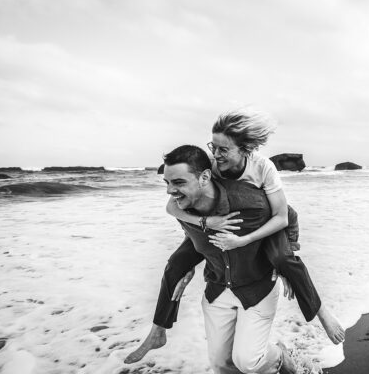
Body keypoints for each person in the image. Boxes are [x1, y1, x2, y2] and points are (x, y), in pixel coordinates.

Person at [167, 111, 344, 344]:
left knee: (283, 259)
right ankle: (160, 329)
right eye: (213, 147)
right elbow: (173, 206)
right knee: (178, 262)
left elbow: (281, 217)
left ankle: (321, 312)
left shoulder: (262, 167)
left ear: (245, 149)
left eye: (223, 149)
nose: (216, 155)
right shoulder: (210, 167)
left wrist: (246, 240)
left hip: (268, 221)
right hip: (220, 222)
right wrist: (204, 226)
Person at [125, 145, 296, 373]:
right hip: (217, 289)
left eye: (178, 182)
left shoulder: (243, 195)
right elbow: (181, 221)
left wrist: (287, 255)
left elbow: (288, 215)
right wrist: (197, 247)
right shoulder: (182, 204)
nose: (170, 191)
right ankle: (158, 330)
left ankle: (279, 355)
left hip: (257, 289)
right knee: (220, 365)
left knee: (247, 362)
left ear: (205, 177)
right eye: (167, 183)